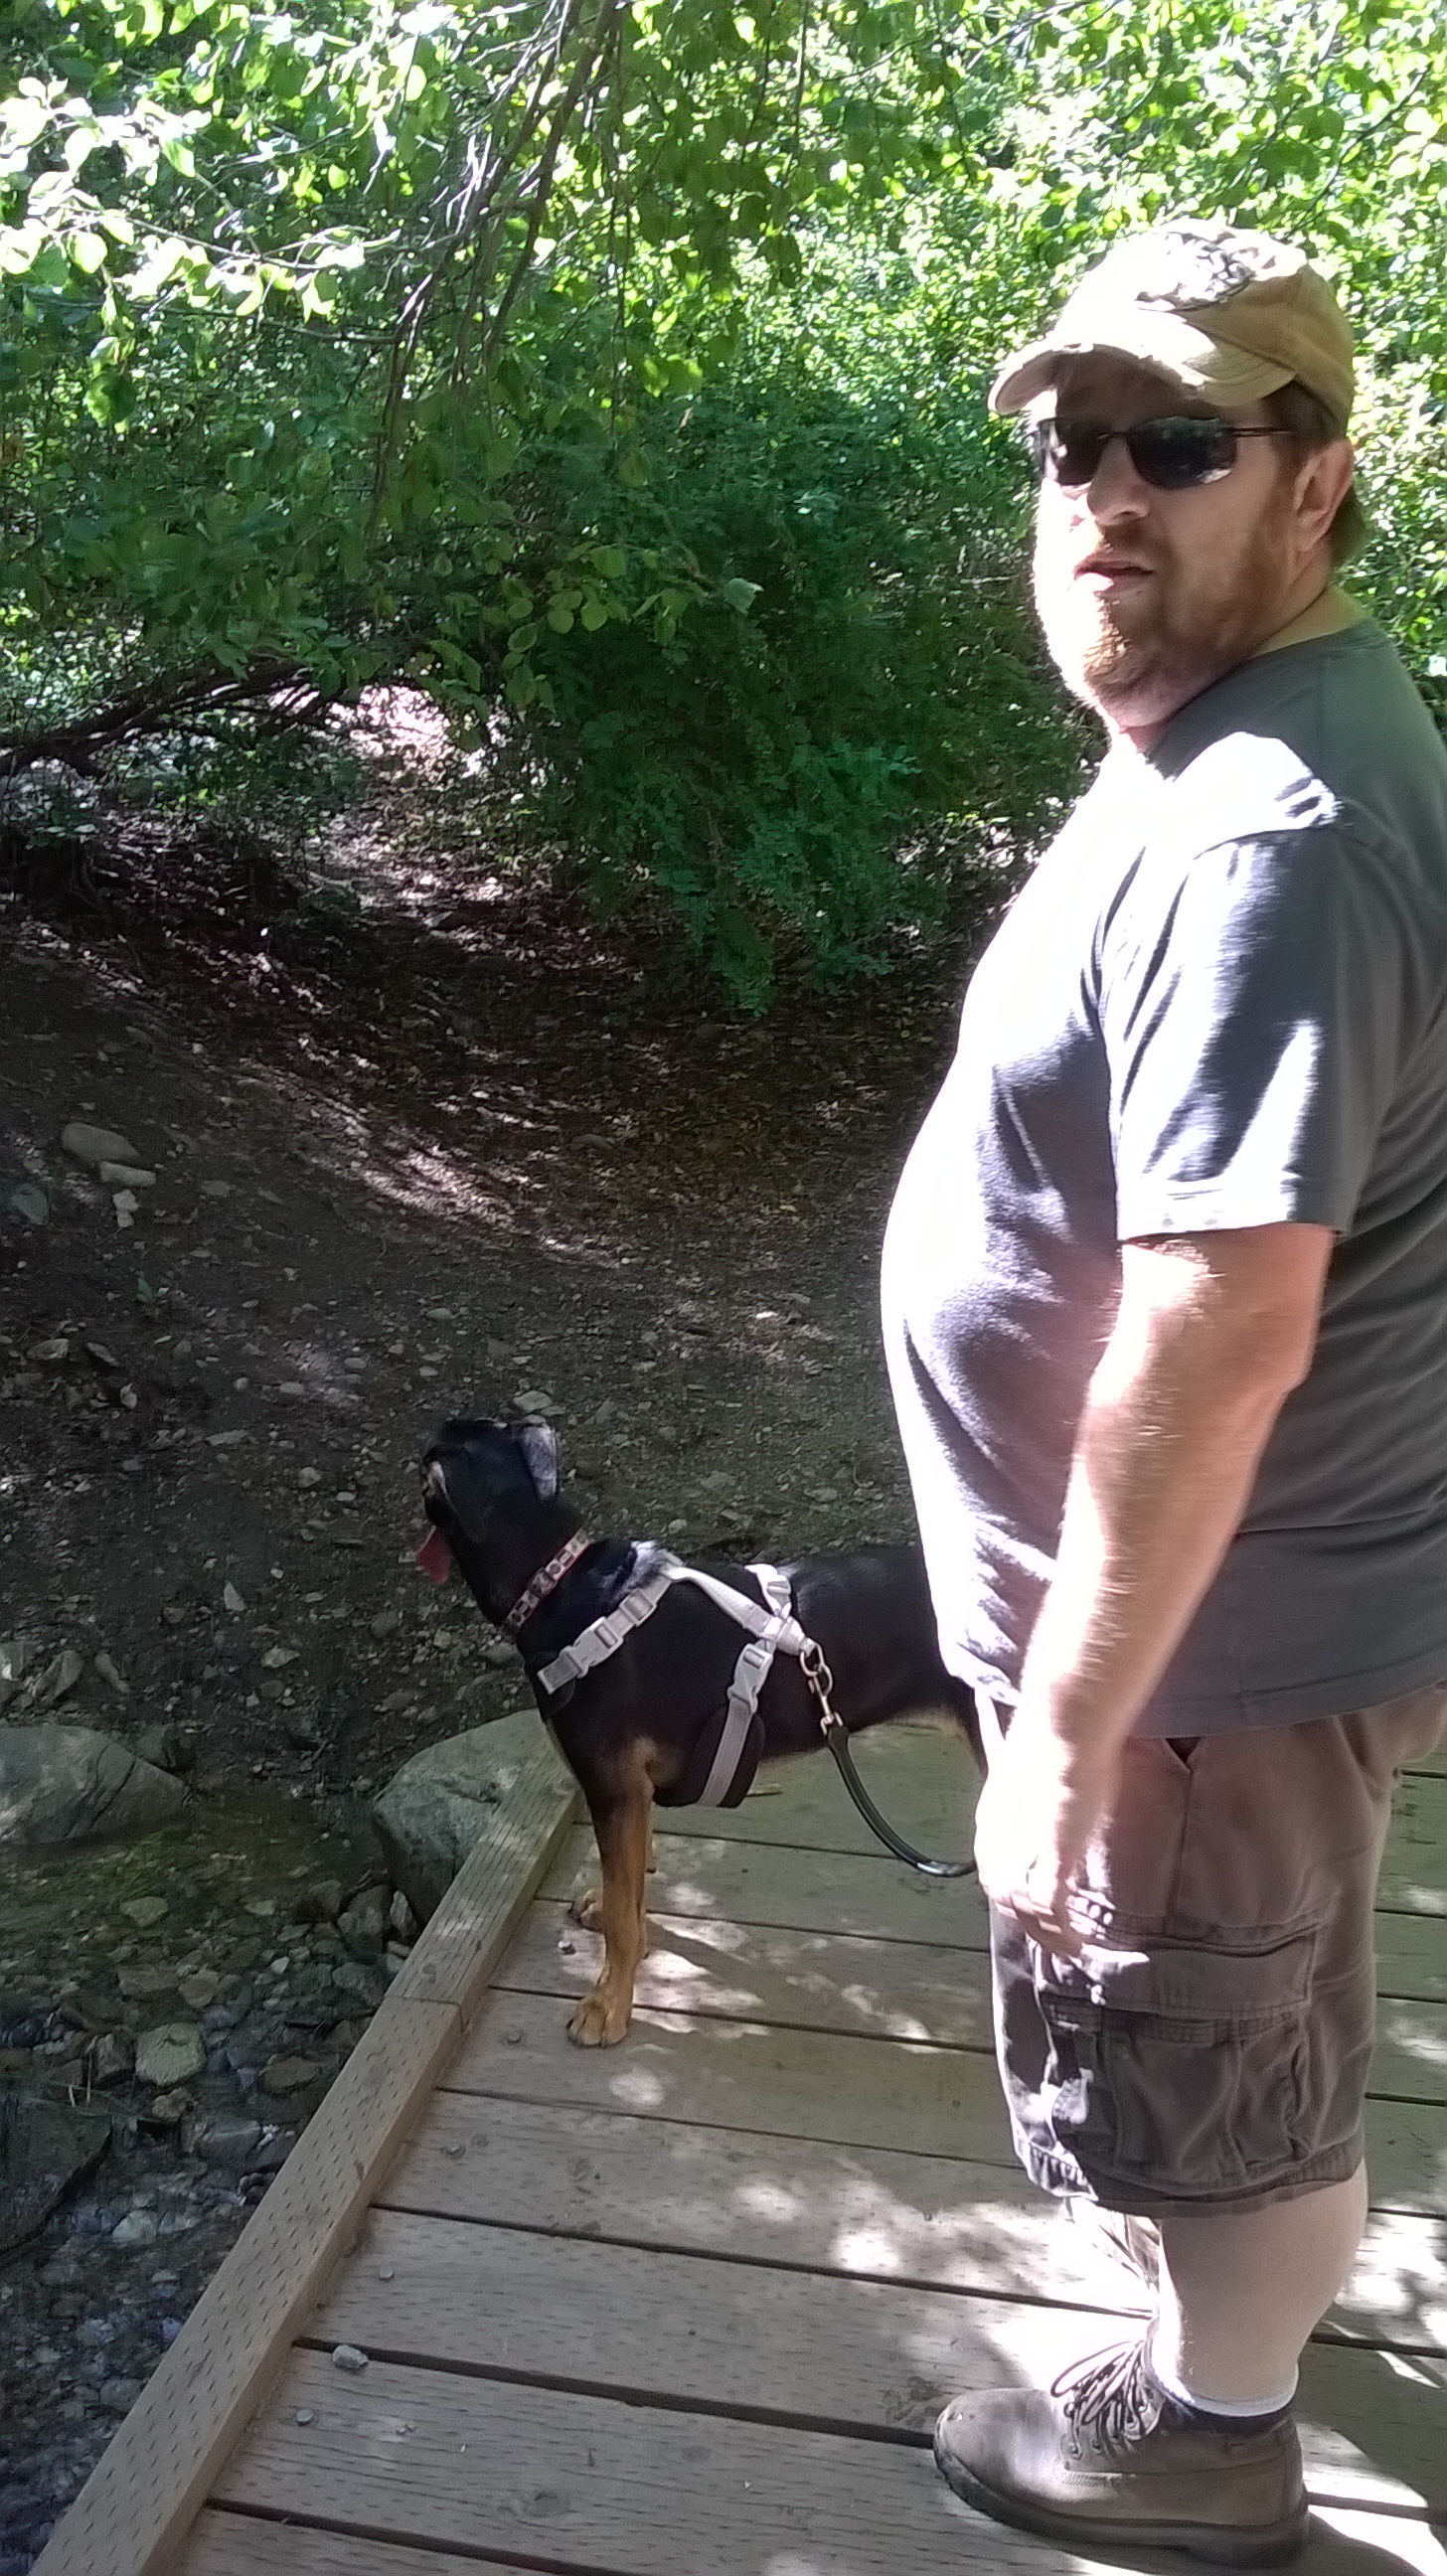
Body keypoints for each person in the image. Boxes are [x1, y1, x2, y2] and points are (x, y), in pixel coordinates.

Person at [881, 218, 1447, 2566]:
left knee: (1215, 2060)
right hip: (1231, 1634)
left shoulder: (1265, 837)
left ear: (1307, 481)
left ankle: (1206, 2437)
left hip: (1203, 1661)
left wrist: (1069, 1721)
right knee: (1227, 2024)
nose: (1103, 491)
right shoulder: (1240, 740)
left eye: (1177, 446)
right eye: (1068, 444)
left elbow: (1221, 1321)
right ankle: (1209, 2315)